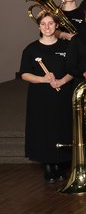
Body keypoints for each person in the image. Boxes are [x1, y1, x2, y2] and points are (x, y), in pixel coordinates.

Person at [19, 12, 75, 183]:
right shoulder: (31, 49)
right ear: (39, 27)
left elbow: (73, 70)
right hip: (40, 96)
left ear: (57, 25)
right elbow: (24, 74)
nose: (47, 27)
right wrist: (43, 79)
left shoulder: (66, 47)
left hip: (62, 93)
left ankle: (60, 163)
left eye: (51, 23)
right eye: (43, 24)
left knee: (61, 125)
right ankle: (48, 166)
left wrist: (61, 81)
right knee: (43, 128)